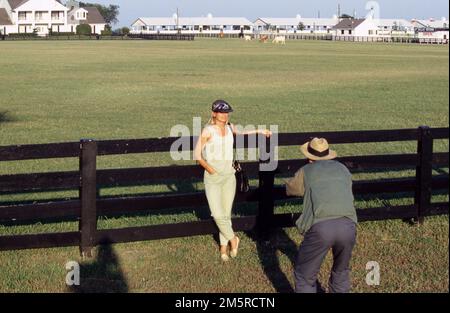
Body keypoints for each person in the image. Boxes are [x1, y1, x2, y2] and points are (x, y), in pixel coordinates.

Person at [194, 100, 272, 261]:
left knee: (226, 213)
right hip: (213, 178)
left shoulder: (230, 127)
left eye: (227, 112)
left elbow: (242, 133)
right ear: (214, 113)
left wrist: (260, 131)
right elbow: (197, 155)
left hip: (229, 177)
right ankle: (233, 239)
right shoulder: (208, 131)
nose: (225, 115)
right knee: (216, 213)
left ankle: (223, 247)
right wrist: (210, 170)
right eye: (222, 112)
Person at [284, 137, 358, 293]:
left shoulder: (306, 170)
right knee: (341, 272)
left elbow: (291, 189)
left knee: (304, 276)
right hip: (348, 224)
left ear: (309, 157)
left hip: (321, 226)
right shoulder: (343, 169)